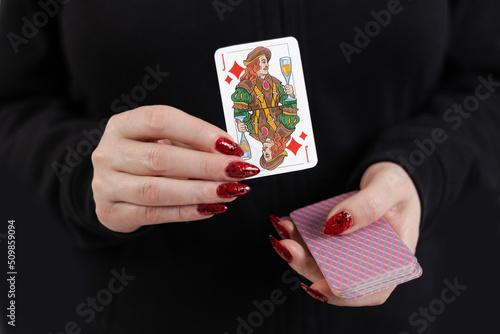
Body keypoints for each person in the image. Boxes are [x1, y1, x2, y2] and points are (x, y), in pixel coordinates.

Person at [1, 1, 499, 333]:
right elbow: (14, 105)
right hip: (140, 312)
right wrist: (80, 174)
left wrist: (420, 169)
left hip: (400, 314)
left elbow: (486, 81)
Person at [232, 46, 299, 170]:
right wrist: (290, 96)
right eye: (263, 61)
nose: (267, 64)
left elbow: (242, 114)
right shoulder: (285, 129)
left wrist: (240, 122)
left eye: (263, 154)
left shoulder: (254, 133)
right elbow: (290, 108)